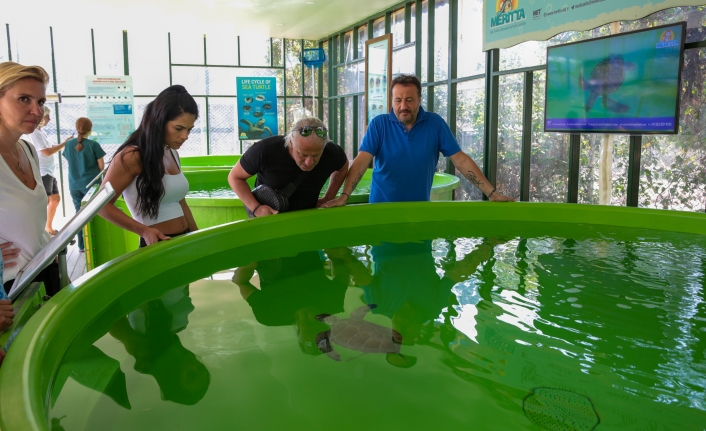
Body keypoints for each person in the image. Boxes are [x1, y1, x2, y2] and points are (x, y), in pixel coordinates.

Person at [321, 74, 513, 208]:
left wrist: (492, 193)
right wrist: (344, 197)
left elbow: (460, 160)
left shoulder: (435, 123)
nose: (403, 106)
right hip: (381, 211)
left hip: (419, 211)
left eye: (409, 100)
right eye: (398, 100)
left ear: (419, 99)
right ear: (392, 100)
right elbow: (361, 161)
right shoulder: (379, 125)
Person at [99, 85, 199, 247]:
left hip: (184, 240)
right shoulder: (132, 156)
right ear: (159, 121)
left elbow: (181, 202)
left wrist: (196, 236)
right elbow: (102, 206)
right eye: (179, 128)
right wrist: (144, 231)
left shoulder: (171, 152)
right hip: (157, 245)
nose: (185, 136)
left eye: (189, 129)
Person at [0, 61, 61, 296]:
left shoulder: (26, 149)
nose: (37, 111)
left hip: (41, 271)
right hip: (10, 288)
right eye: (24, 99)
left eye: (41, 102)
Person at [228, 116, 349, 217]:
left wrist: (329, 197)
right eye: (303, 154)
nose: (309, 162)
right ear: (290, 143)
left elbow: (343, 167)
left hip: (307, 217)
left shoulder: (332, 153)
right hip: (269, 217)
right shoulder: (264, 150)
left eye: (316, 155)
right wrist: (256, 208)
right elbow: (234, 177)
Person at [26, 105, 73, 235]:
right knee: (45, 201)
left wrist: (65, 142)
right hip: (42, 171)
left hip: (49, 171)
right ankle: (38, 230)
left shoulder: (41, 132)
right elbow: (47, 152)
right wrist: (65, 143)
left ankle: (48, 227)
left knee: (55, 199)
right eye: (47, 116)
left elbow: (49, 147)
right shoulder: (34, 133)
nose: (49, 119)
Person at [63, 117, 105, 252]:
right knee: (94, 214)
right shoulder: (94, 145)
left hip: (74, 185)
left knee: (79, 213)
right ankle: (95, 244)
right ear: (90, 129)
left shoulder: (68, 144)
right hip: (91, 185)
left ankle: (82, 245)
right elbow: (101, 167)